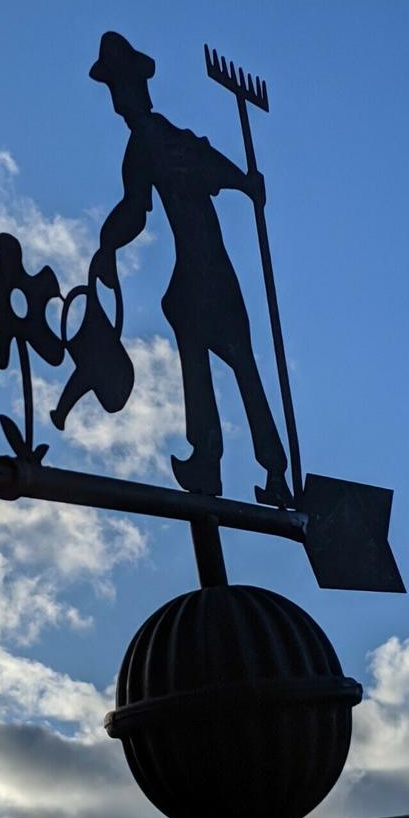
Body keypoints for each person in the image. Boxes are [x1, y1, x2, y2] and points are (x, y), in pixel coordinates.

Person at [90, 31, 291, 508]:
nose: (119, 100)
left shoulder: (152, 140)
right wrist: (243, 182)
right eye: (114, 90)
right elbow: (173, 184)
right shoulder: (163, 139)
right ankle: (265, 467)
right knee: (240, 361)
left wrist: (244, 183)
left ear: (135, 89)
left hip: (203, 270)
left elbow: (143, 204)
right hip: (211, 268)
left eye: (120, 87)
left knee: (222, 355)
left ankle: (220, 459)